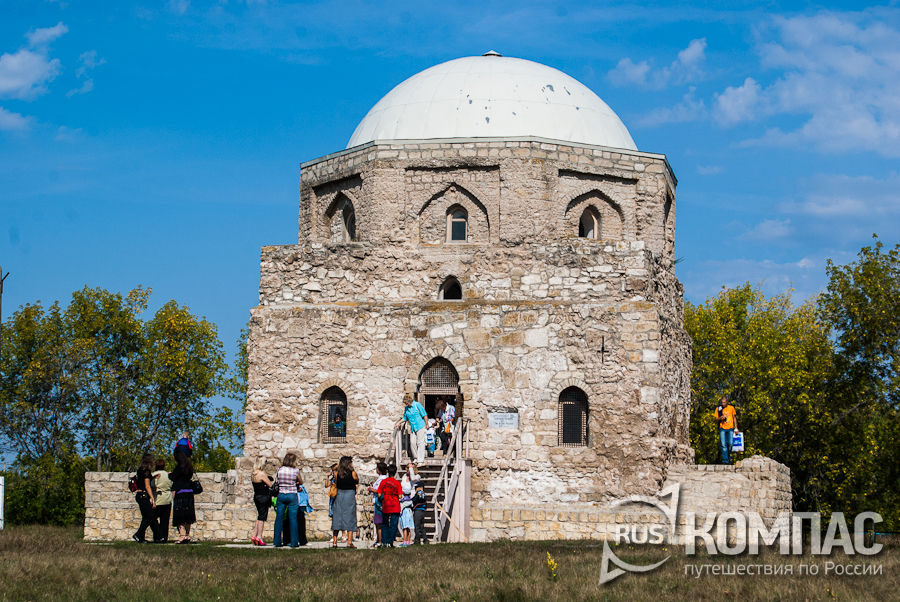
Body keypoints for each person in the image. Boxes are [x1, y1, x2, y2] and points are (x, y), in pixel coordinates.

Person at [273, 452, 302, 548]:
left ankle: (277, 541)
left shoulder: (279, 470)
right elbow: (301, 481)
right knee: (293, 519)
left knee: (279, 518)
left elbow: (278, 480)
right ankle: (294, 542)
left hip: (281, 494)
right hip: (292, 494)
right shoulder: (296, 471)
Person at [169, 450, 198, 543]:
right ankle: (187, 535)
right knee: (188, 514)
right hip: (189, 492)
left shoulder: (179, 467)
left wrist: (170, 474)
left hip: (180, 492)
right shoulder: (189, 467)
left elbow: (173, 477)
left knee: (180, 514)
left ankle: (182, 535)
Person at [331, 455, 359, 548]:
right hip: (349, 495)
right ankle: (349, 542)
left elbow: (337, 483)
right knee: (350, 517)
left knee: (337, 516)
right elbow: (357, 481)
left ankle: (335, 542)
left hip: (339, 495)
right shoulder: (353, 473)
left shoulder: (337, 474)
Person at [132, 453, 158, 543]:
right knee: (150, 516)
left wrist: (153, 477)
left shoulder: (140, 470)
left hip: (139, 496)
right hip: (143, 496)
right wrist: (153, 499)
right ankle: (138, 534)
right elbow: (147, 486)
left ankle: (141, 538)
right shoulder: (146, 471)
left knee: (145, 517)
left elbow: (142, 482)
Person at [395, 395, 428, 463]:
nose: (406, 404)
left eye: (407, 403)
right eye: (405, 403)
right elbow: (405, 417)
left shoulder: (417, 405)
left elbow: (424, 415)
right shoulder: (406, 408)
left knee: (420, 443)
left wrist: (427, 424)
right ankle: (416, 457)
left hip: (420, 425)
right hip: (413, 427)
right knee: (412, 442)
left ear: (410, 401)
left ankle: (420, 460)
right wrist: (398, 423)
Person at [376, 464, 402, 548]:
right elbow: (400, 496)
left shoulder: (383, 482)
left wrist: (384, 497)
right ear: (395, 472)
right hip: (395, 505)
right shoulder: (397, 483)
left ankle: (384, 541)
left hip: (386, 505)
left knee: (385, 524)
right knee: (393, 525)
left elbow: (379, 494)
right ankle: (390, 542)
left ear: (387, 471)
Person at [251, 459, 275, 546]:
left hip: (256, 496)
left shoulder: (253, 474)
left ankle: (254, 536)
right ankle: (259, 537)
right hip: (263, 497)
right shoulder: (262, 474)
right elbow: (270, 485)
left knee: (259, 516)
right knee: (262, 518)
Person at [152, 458, 172, 543]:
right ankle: (164, 537)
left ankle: (157, 536)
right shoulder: (168, 475)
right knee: (165, 520)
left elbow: (152, 486)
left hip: (158, 499)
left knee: (153, 518)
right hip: (167, 499)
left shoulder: (154, 475)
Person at [368, 462, 388, 547]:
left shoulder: (382, 479)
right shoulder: (382, 478)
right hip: (378, 502)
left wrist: (372, 489)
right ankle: (379, 540)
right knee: (378, 522)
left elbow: (380, 490)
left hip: (379, 503)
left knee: (379, 522)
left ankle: (380, 540)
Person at [715, 396, 739, 464]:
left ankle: (729, 457)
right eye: (722, 402)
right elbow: (716, 419)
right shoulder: (718, 409)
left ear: (727, 402)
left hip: (730, 428)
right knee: (723, 445)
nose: (723, 404)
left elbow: (734, 418)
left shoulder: (731, 408)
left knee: (730, 444)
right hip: (722, 428)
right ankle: (725, 461)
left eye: (724, 402)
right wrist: (720, 418)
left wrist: (736, 428)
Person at [398, 473, 414, 546]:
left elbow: (401, 506)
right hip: (409, 511)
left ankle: (405, 541)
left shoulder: (403, 500)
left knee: (404, 527)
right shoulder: (410, 499)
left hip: (404, 512)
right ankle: (408, 541)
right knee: (408, 528)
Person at [412, 479, 428, 545]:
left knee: (417, 526)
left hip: (418, 511)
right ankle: (425, 539)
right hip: (422, 511)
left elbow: (414, 500)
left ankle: (417, 540)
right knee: (422, 526)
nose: (416, 489)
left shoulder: (419, 494)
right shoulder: (424, 494)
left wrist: (416, 495)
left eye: (417, 487)